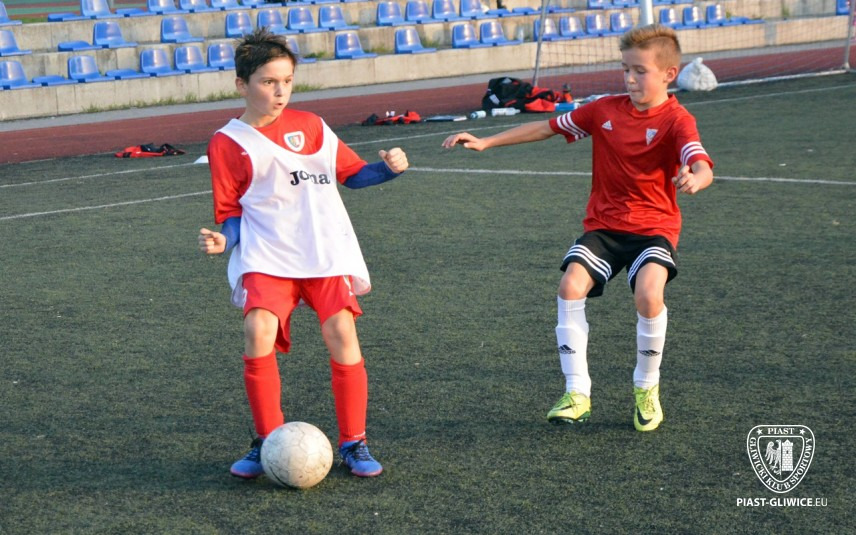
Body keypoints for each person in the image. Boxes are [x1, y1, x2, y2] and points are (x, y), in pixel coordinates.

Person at [442, 24, 713, 431]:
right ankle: (576, 392)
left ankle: (646, 387)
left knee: (648, 294)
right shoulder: (604, 110)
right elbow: (546, 127)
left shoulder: (677, 119)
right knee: (570, 286)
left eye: (640, 71)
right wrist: (487, 141)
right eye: (625, 69)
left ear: (669, 74)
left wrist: (697, 177)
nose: (630, 79)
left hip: (653, 227)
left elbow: (699, 161)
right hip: (604, 226)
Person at [198, 28, 409, 479]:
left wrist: (389, 169)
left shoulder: (312, 125)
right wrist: (224, 240)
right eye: (268, 82)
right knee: (257, 329)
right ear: (241, 85)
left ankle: (354, 442)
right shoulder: (227, 142)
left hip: (324, 252)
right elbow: (231, 213)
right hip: (268, 256)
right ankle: (267, 440)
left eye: (287, 81)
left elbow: (354, 174)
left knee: (342, 333)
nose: (280, 92)